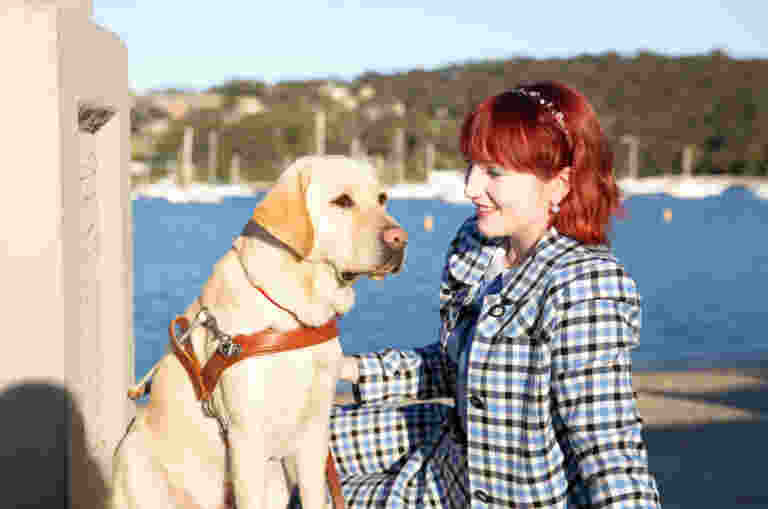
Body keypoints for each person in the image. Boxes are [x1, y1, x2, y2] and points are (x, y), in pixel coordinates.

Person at [331, 80, 662, 508]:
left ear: (559, 184)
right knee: (277, 440)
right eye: (472, 166)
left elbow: (608, 451)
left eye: (495, 173)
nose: (470, 188)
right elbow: (460, 368)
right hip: (450, 451)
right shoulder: (477, 244)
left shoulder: (585, 285)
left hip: (512, 495)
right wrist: (345, 369)